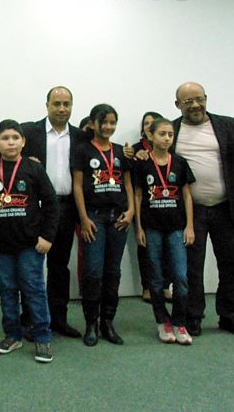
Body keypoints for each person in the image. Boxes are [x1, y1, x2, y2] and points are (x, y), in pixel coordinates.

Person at [171, 81, 234, 338]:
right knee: (192, 267)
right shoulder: (171, 130)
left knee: (232, 264)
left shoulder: (230, 126)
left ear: (206, 98)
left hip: (227, 208)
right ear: (177, 105)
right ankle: (193, 316)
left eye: (200, 99)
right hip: (190, 213)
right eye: (188, 101)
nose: (195, 105)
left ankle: (230, 315)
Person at [0, 120, 59, 362]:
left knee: (34, 289)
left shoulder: (33, 168)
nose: (11, 142)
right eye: (5, 138)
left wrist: (47, 236)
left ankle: (43, 337)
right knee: (7, 289)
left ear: (23, 142)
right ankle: (12, 335)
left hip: (31, 243)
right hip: (1, 243)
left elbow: (52, 204)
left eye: (15, 137)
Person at [17, 86, 84, 339]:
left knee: (59, 266)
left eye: (66, 104)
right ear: (47, 105)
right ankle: (29, 320)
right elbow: (2, 150)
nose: (62, 108)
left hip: (65, 208)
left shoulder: (80, 137)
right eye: (57, 103)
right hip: (34, 209)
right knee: (30, 266)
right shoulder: (28, 132)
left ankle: (58, 320)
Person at [73, 104, 134, 347]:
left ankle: (108, 322)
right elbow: (78, 186)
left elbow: (128, 184)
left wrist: (131, 211)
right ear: (92, 124)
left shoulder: (121, 151)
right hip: (94, 218)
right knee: (92, 272)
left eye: (112, 122)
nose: (108, 127)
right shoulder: (82, 150)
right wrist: (83, 218)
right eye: (103, 122)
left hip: (118, 218)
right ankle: (91, 323)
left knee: (113, 272)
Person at [133, 118, 194, 345]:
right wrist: (138, 227)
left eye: (170, 134)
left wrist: (190, 225)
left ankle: (179, 322)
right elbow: (138, 195)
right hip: (152, 228)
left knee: (180, 277)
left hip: (177, 227)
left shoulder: (179, 162)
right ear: (150, 136)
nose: (167, 138)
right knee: (156, 278)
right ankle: (162, 321)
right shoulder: (142, 163)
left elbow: (187, 195)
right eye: (162, 134)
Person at [123, 111, 173, 304]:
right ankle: (148, 286)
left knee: (168, 249)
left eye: (154, 122)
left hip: (168, 206)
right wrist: (134, 157)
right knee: (146, 249)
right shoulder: (135, 150)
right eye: (146, 123)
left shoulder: (170, 149)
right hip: (144, 206)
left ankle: (165, 286)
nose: (149, 126)